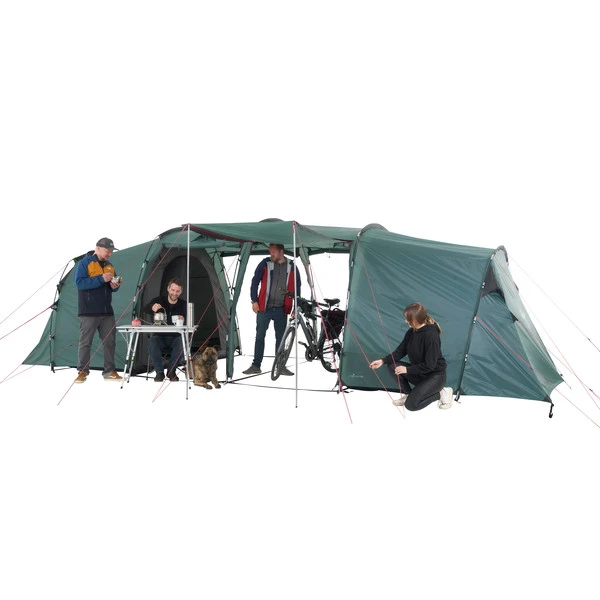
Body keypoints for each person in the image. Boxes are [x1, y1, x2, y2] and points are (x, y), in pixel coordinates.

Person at [369, 302, 453, 410]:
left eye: (407, 319)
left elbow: (430, 365)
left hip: (435, 377)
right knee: (392, 366)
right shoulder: (412, 332)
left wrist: (407, 370)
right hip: (420, 373)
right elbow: (399, 352)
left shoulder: (431, 336)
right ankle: (408, 394)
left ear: (415, 319)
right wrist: (382, 361)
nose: (406, 321)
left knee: (411, 405)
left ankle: (442, 392)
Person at [242, 243, 301, 375]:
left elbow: (297, 287)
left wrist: (296, 307)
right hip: (264, 308)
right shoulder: (265, 263)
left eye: (273, 252)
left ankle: (280, 366)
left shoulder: (292, 266)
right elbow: (254, 282)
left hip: (282, 309)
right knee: (260, 337)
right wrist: (254, 301)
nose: (271, 254)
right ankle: (256, 365)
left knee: (281, 339)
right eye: (270, 252)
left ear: (281, 252)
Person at [73, 237, 123, 383]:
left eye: (111, 251)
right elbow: (79, 283)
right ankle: (82, 372)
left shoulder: (109, 266)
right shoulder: (84, 263)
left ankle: (109, 372)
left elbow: (112, 286)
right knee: (85, 343)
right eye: (108, 250)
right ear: (98, 248)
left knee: (110, 342)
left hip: (107, 311)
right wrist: (101, 279)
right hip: (88, 311)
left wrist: (115, 285)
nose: (110, 254)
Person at [144, 278, 187, 382]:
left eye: (177, 291)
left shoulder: (183, 304)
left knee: (183, 342)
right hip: (160, 336)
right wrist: (152, 307)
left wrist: (184, 319)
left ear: (181, 291)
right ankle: (159, 372)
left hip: (176, 337)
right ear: (168, 289)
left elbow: (191, 322)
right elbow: (145, 309)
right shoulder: (159, 300)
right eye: (173, 290)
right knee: (152, 341)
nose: (174, 293)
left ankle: (171, 371)